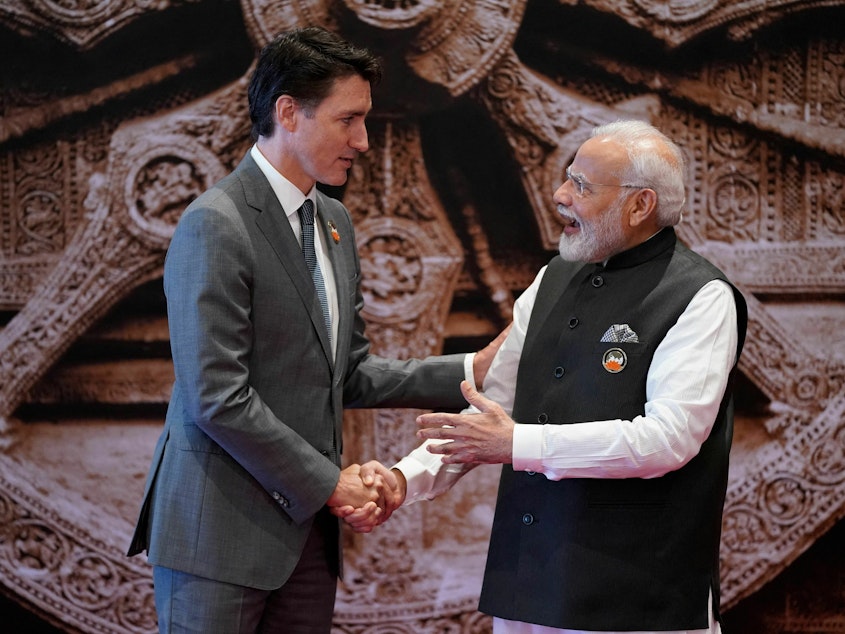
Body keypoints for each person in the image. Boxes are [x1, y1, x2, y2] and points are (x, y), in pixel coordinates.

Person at [127, 26, 501, 634]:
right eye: (348, 120)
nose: (364, 141)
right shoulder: (215, 223)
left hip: (306, 541)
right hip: (218, 538)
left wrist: (469, 370)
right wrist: (331, 483)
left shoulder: (332, 221)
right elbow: (216, 395)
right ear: (287, 113)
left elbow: (347, 371)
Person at [344, 120, 748, 634]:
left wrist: (517, 444)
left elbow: (667, 440)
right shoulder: (550, 279)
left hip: (636, 601)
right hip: (528, 588)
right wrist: (405, 479)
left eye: (581, 186)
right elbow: (492, 415)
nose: (560, 196)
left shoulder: (700, 297)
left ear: (640, 205)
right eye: (567, 179)